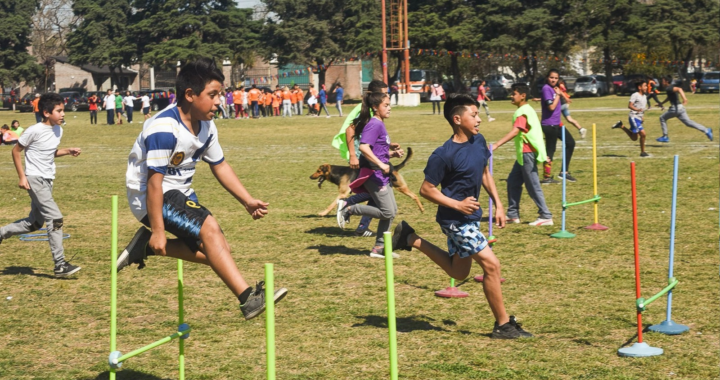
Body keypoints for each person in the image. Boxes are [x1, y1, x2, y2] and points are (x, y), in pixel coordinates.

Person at [119, 58, 287, 320]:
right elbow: (154, 183)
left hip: (179, 193)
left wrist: (247, 200)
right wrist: (159, 230)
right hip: (151, 196)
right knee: (210, 230)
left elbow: (220, 165)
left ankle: (144, 247)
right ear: (190, 94)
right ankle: (248, 299)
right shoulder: (164, 129)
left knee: (219, 250)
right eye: (213, 95)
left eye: (219, 94)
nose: (220, 101)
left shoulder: (207, 125)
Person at [390, 93, 533, 339]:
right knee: (492, 265)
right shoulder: (443, 154)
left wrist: (498, 204)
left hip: (470, 217)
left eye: (478, 114)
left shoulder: (479, 142)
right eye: (474, 115)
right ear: (457, 119)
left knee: (458, 273)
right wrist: (456, 204)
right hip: (454, 220)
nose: (479, 119)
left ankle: (411, 238)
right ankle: (503, 324)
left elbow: (485, 173)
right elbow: (426, 190)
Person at [0, 93, 82, 277]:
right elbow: (15, 151)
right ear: (46, 112)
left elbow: (48, 152)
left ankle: (1, 233)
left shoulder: (58, 130)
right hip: (34, 178)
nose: (63, 114)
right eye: (59, 111)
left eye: (63, 110)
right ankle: (60, 265)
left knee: (35, 223)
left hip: (47, 179)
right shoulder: (33, 130)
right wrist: (22, 177)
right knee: (56, 218)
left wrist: (67, 151)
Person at [337, 91, 404, 257]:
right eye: (386, 105)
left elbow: (377, 151)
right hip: (374, 175)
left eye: (389, 105)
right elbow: (364, 147)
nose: (389, 108)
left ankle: (379, 248)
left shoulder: (379, 123)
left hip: (381, 174)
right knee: (387, 212)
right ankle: (349, 208)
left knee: (392, 210)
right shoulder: (375, 124)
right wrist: (381, 164)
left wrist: (390, 155)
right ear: (375, 107)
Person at [333, 80, 389, 237]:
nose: (387, 96)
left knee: (377, 193)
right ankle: (347, 204)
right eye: (385, 93)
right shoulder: (364, 109)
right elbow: (350, 130)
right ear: (376, 95)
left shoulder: (372, 108)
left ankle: (362, 226)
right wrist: (352, 155)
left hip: (367, 156)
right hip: (361, 157)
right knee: (377, 192)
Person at [492, 84, 553, 226]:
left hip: (527, 153)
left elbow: (515, 131)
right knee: (513, 182)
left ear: (523, 95)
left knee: (532, 185)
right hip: (522, 154)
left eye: (514, 94)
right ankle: (513, 214)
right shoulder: (526, 110)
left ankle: (545, 215)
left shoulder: (523, 111)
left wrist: (496, 144)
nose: (511, 96)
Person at [540, 69, 575, 183]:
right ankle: (547, 177)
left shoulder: (554, 89)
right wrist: (558, 95)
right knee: (550, 150)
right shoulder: (546, 88)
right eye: (551, 77)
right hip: (549, 124)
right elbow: (551, 107)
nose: (554, 80)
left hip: (557, 124)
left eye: (556, 78)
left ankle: (564, 172)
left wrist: (560, 94)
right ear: (547, 78)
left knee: (570, 143)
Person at [656, 75, 713, 143]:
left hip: (675, 109)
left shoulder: (669, 88)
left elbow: (679, 89)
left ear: (666, 81)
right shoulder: (669, 88)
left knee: (662, 118)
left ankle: (665, 136)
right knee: (688, 123)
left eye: (663, 81)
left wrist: (684, 98)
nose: (661, 82)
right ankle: (706, 130)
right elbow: (669, 97)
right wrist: (662, 103)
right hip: (680, 108)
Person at [611, 80, 649, 157]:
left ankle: (621, 126)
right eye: (645, 85)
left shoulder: (645, 97)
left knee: (634, 138)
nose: (646, 87)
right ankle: (643, 152)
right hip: (633, 117)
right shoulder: (635, 95)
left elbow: (642, 108)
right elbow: (630, 105)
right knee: (643, 134)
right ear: (639, 87)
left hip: (638, 118)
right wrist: (637, 110)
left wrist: (642, 117)